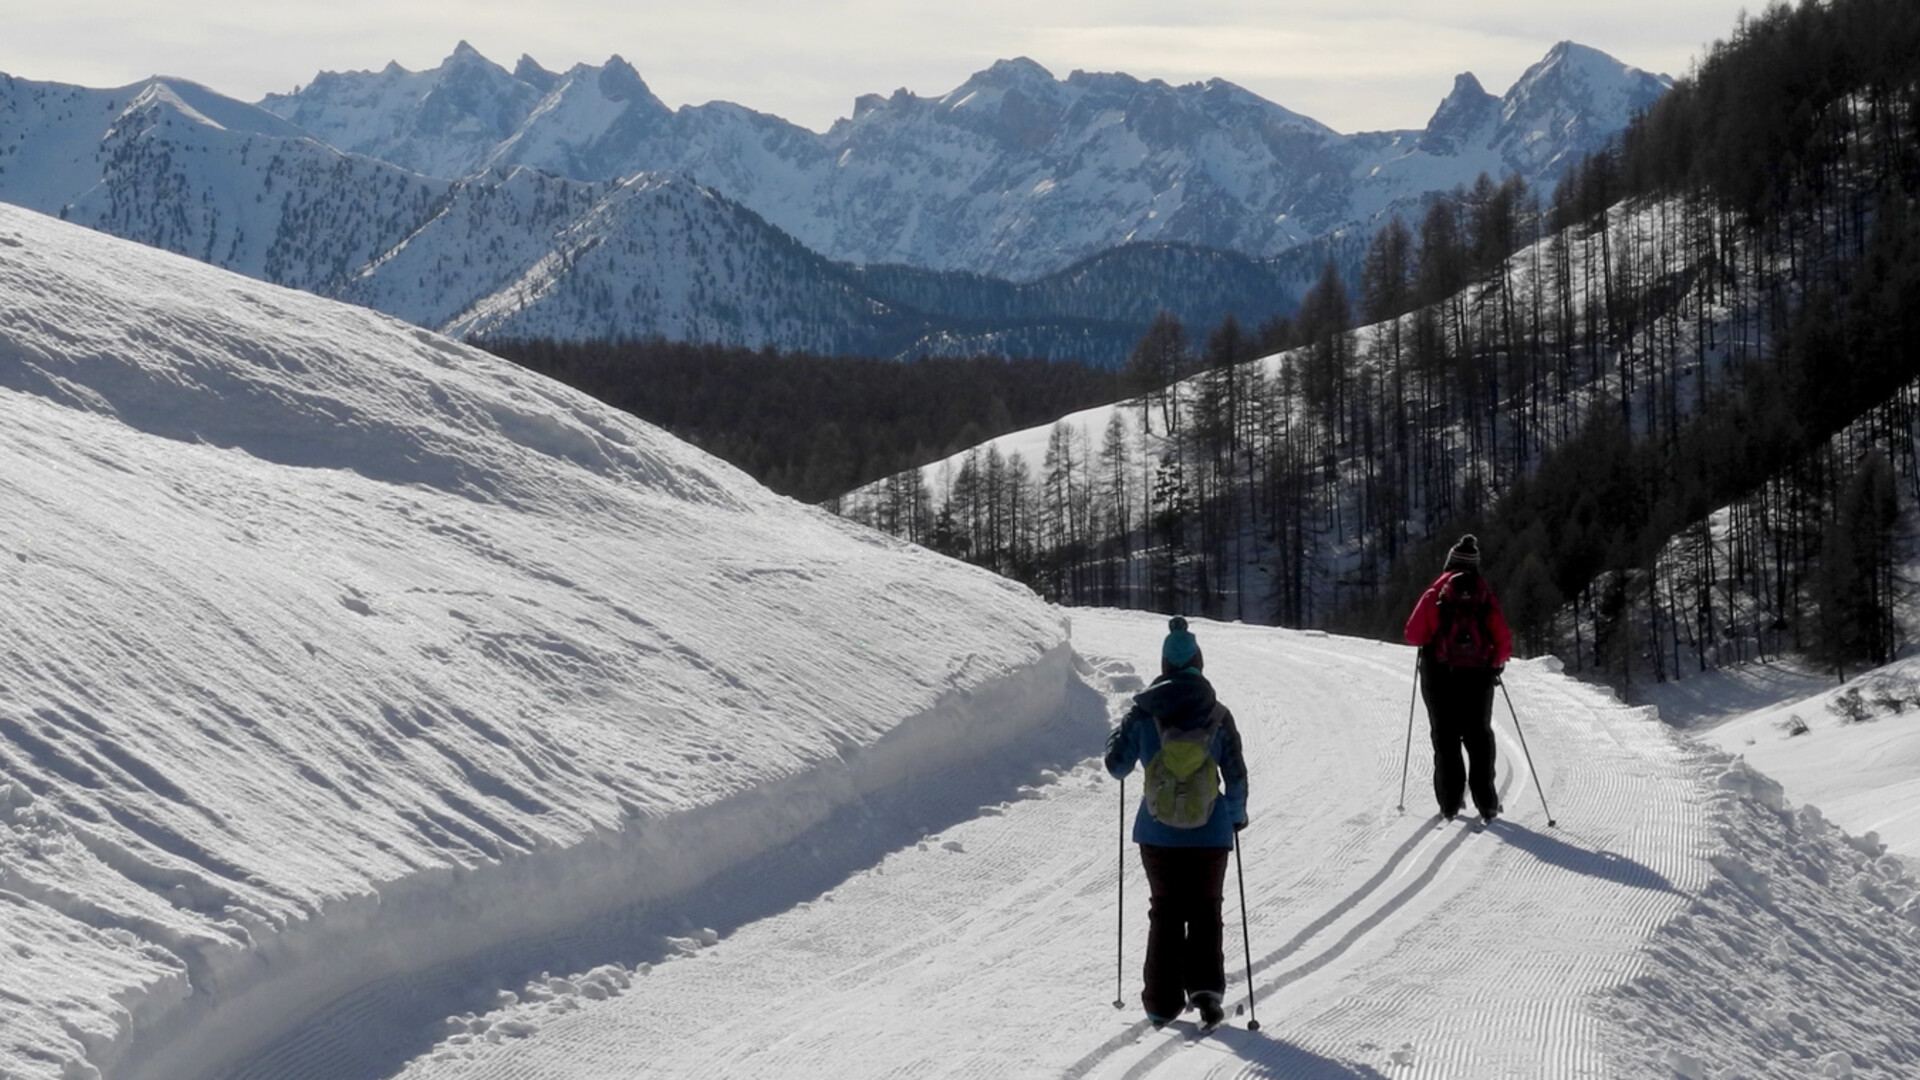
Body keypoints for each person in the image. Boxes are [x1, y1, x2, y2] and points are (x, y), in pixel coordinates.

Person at [1104, 616, 1249, 1030]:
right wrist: (1234, 818)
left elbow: (1116, 768)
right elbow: (1236, 777)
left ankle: (1160, 1005)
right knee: (1206, 909)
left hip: (1157, 833)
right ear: (1199, 664)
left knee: (1165, 911)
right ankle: (1206, 992)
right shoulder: (1219, 714)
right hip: (1210, 834)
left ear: (1164, 665)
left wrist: (1119, 736)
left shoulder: (1144, 712)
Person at [1403, 534, 1513, 824]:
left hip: (1438, 675)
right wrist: (1495, 663)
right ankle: (1487, 803)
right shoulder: (1485, 596)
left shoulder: (1434, 594)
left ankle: (1450, 804)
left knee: (1445, 737)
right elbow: (1503, 639)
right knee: (1479, 736)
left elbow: (1413, 634)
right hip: (1478, 675)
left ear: (1448, 563)